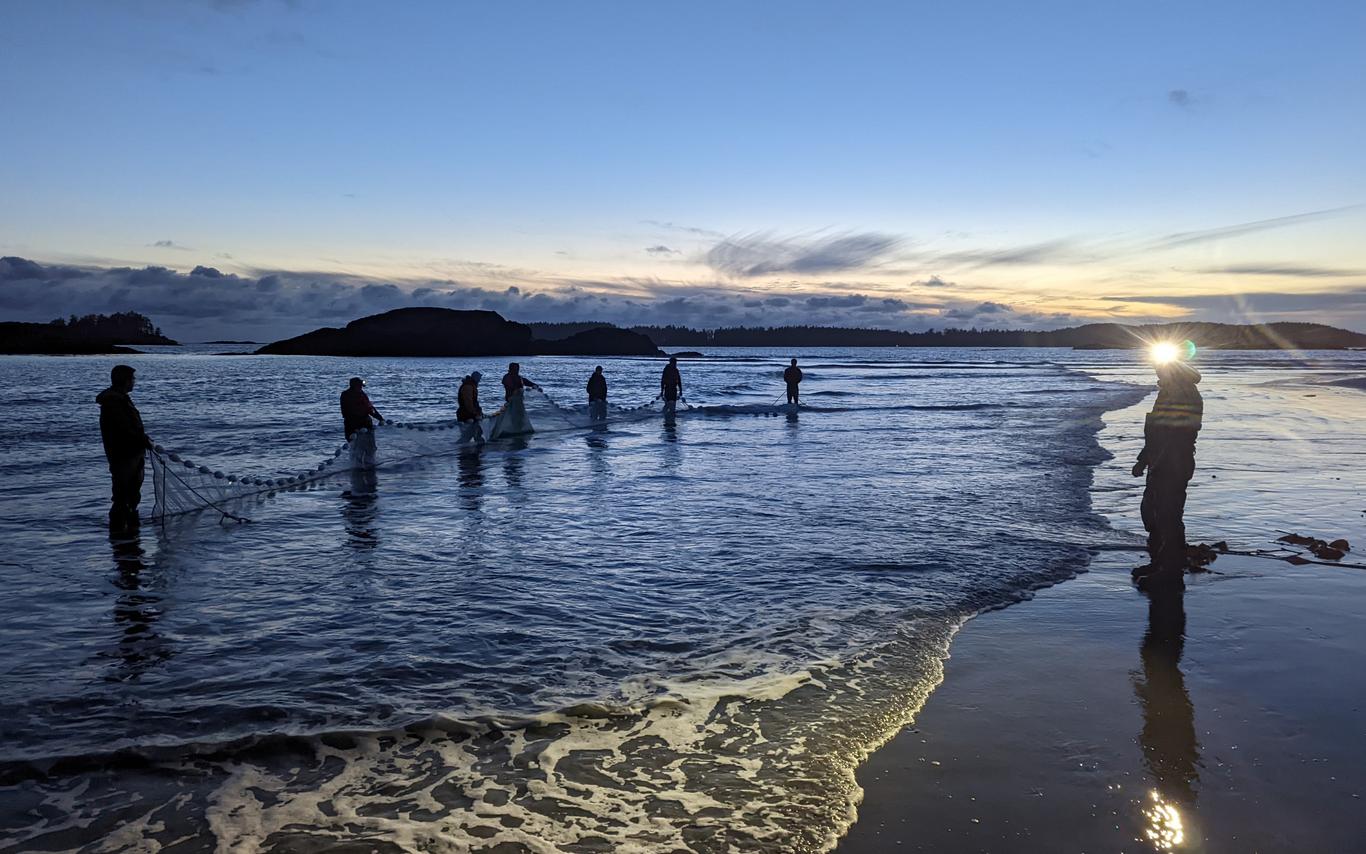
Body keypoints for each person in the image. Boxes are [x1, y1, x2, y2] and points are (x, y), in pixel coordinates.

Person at [1131, 358, 1203, 592]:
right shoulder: (1168, 392)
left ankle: (1169, 570)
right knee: (1156, 513)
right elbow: (1155, 432)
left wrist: (1158, 461)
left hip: (1174, 461)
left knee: (1167, 515)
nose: (1158, 376)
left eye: (1160, 371)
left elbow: (1175, 434)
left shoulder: (1184, 394)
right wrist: (1144, 460)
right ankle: (1162, 562)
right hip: (1162, 461)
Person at [97, 364, 153, 532]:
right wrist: (141, 440)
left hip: (131, 454)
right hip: (123, 456)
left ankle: (129, 535)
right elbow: (124, 429)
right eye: (132, 379)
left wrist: (142, 440)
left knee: (131, 495)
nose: (134, 382)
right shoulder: (114, 402)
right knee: (122, 496)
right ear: (125, 381)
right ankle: (120, 534)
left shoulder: (120, 399)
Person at [489, 362, 541, 439]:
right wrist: (517, 389)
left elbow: (525, 381)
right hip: (511, 401)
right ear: (512, 369)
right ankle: (511, 432)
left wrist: (534, 385)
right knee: (513, 417)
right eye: (516, 368)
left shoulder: (518, 377)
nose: (517, 370)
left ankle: (518, 431)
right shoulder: (507, 377)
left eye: (518, 368)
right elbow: (509, 385)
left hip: (518, 402)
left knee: (520, 417)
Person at [340, 377, 383, 467]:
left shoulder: (361, 394)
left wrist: (380, 418)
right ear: (354, 386)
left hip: (365, 423)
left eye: (361, 386)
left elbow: (370, 408)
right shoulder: (346, 395)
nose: (361, 388)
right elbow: (348, 411)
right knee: (356, 447)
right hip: (353, 425)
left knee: (370, 447)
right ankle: (358, 467)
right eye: (359, 386)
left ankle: (369, 465)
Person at [457, 371, 485, 444]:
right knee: (470, 434)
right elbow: (468, 402)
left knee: (474, 433)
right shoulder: (468, 387)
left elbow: (473, 402)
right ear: (476, 378)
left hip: (469, 413)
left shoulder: (471, 386)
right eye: (479, 378)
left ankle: (477, 447)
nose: (480, 380)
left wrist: (479, 411)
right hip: (466, 414)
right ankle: (460, 447)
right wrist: (474, 413)